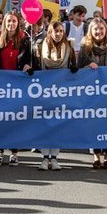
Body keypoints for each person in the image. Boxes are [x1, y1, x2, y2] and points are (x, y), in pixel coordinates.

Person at [0, 11, 34, 166]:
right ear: (4, 23)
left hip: (18, 86)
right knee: (0, 120)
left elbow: (31, 61)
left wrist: (29, 66)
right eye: (8, 21)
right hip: (1, 86)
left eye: (14, 21)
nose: (11, 24)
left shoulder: (25, 41)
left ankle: (14, 153)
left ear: (18, 23)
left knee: (15, 120)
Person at [77, 17, 107, 168]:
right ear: (91, 31)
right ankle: (96, 155)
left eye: (101, 29)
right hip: (93, 93)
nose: (98, 32)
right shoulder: (85, 47)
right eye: (95, 29)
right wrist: (87, 66)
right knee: (95, 124)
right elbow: (78, 69)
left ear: (105, 30)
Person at [34, 21, 76, 171]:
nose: (58, 34)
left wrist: (74, 68)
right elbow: (36, 65)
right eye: (55, 31)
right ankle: (45, 158)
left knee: (58, 126)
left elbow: (74, 67)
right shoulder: (40, 46)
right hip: (45, 91)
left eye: (60, 31)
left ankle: (55, 157)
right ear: (50, 32)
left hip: (61, 92)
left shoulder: (69, 47)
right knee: (45, 125)